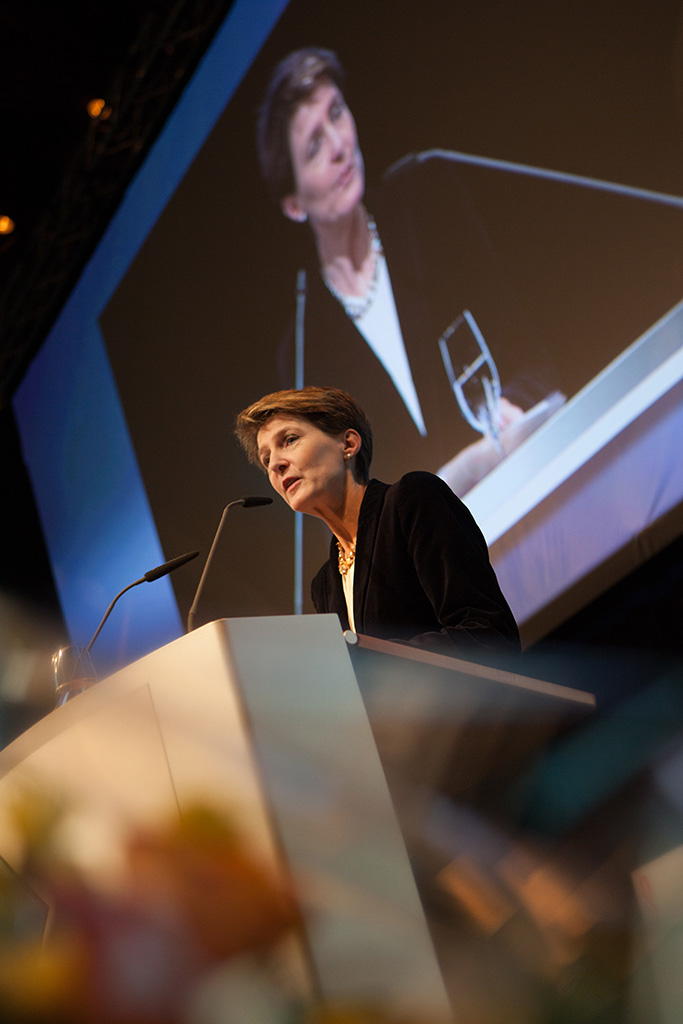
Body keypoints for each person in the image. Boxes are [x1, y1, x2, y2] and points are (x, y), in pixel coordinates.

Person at [255, 48, 559, 496]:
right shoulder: (305, 352)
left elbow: (531, 354)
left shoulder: (426, 205)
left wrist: (515, 407)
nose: (340, 146)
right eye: (315, 147)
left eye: (337, 114)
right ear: (294, 204)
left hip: (530, 481)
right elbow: (350, 502)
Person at [235, 385, 521, 659]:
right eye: (266, 458)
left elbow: (489, 635)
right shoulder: (324, 586)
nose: (275, 464)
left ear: (348, 443)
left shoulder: (411, 500)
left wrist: (373, 666)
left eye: (290, 440)